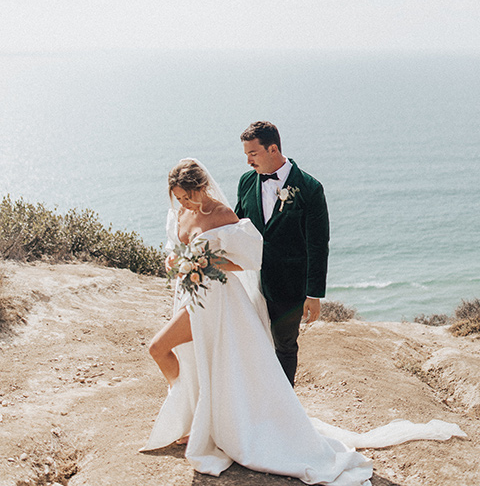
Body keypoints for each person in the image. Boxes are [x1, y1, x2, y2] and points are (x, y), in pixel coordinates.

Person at [141, 158, 465, 485]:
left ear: (201, 188)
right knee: (193, 360)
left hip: (216, 300)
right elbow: (175, 247)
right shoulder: (181, 213)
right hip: (188, 295)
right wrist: (177, 259)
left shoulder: (224, 216)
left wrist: (207, 261)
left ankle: (200, 420)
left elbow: (248, 261)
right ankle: (195, 415)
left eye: (187, 196)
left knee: (161, 348)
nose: (182, 203)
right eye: (178, 198)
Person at [235, 120, 329, 385]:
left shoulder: (310, 189)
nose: (248, 162)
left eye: (253, 154)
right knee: (253, 345)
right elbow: (237, 225)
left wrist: (314, 294)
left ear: (273, 149)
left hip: (290, 287)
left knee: (285, 347)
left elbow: (318, 245)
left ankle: (283, 411)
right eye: (246, 155)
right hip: (251, 283)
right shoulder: (245, 182)